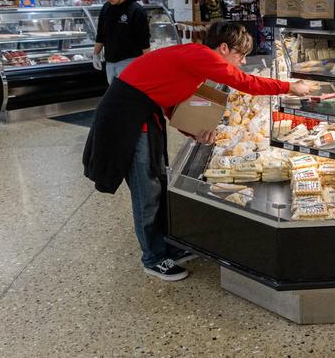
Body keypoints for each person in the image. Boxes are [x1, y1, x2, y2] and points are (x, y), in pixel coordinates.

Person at [83, 22, 312, 281]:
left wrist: (195, 132)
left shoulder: (193, 60)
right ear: (223, 48)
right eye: (240, 54)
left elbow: (174, 105)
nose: (242, 61)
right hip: (127, 119)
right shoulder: (202, 55)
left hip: (141, 114)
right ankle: (153, 257)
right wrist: (288, 87)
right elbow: (243, 82)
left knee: (158, 181)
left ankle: (165, 244)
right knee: (145, 189)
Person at [92, 0, 150, 84]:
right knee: (115, 95)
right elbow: (101, 34)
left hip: (130, 60)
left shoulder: (136, 10)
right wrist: (95, 55)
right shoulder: (106, 8)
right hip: (110, 60)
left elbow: (144, 39)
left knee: (127, 96)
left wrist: (147, 63)